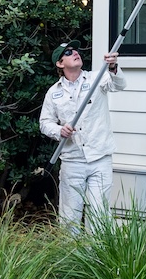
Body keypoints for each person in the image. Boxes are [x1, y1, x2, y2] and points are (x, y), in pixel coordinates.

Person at [39, 40, 127, 229]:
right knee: (69, 216)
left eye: (75, 50)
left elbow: (120, 85)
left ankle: (95, 257)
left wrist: (112, 66)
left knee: (99, 214)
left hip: (99, 158)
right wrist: (59, 131)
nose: (75, 53)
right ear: (60, 64)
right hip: (72, 160)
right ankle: (71, 256)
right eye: (68, 52)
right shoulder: (53, 93)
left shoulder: (97, 78)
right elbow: (45, 123)